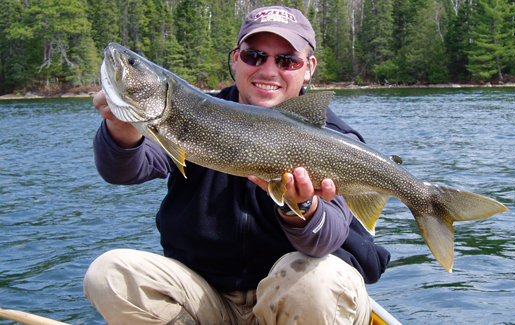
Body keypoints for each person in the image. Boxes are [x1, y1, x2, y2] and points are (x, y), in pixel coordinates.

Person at [84, 6, 390, 325]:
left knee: (322, 280)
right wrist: (122, 126)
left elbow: (326, 239)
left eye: (287, 60)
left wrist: (301, 207)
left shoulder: (334, 139)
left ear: (309, 68)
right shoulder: (196, 111)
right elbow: (125, 170)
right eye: (254, 56)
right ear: (235, 59)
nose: (268, 70)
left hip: (287, 304)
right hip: (204, 298)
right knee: (109, 274)